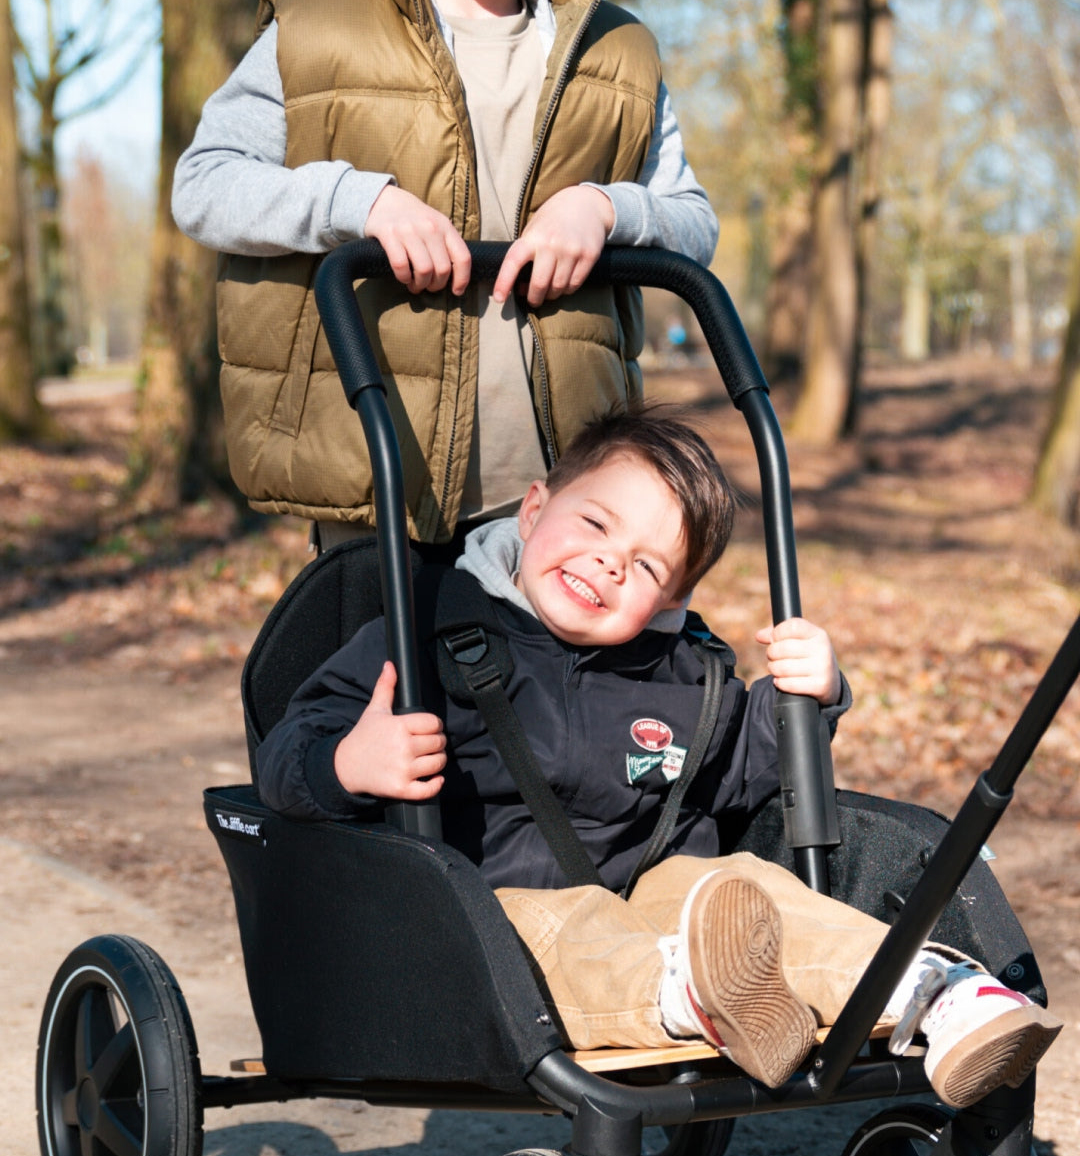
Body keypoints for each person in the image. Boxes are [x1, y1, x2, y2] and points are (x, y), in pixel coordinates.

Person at [256, 408, 1062, 1106]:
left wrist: (809, 700)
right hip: (487, 911)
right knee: (570, 929)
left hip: (653, 887)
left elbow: (741, 776)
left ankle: (938, 990)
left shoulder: (680, 674)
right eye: (595, 525)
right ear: (534, 510)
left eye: (646, 565)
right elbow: (288, 755)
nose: (611, 561)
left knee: (746, 886)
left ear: (672, 600)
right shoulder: (423, 632)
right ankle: (693, 996)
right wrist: (349, 764)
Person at [171, 0, 717, 555]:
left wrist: (606, 208)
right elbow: (206, 184)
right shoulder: (316, 28)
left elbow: (693, 222)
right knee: (382, 634)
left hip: (570, 492)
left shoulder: (617, 50)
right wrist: (358, 202)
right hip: (378, 477)